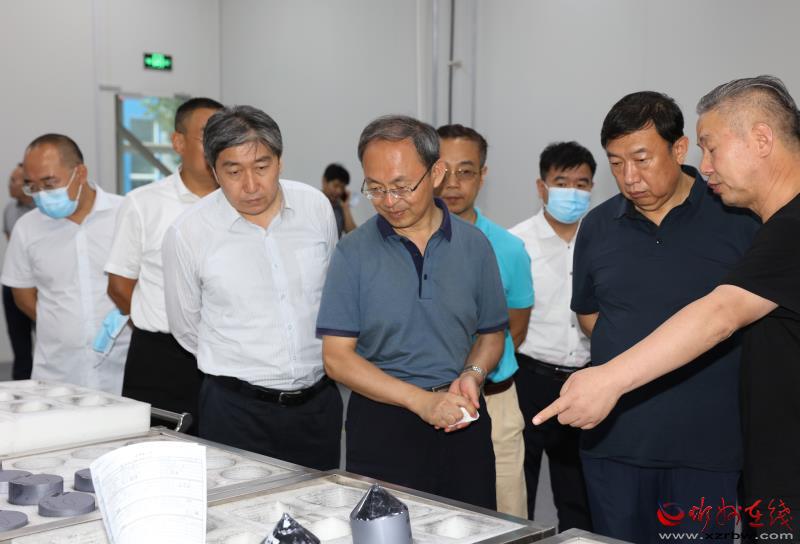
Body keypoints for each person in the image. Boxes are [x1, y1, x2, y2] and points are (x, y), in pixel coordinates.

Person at [536, 75, 800, 542]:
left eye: (711, 148)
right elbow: (592, 316)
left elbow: (721, 314)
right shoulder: (599, 226)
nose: (707, 164)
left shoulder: (766, 225)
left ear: (762, 139)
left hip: (718, 447)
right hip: (626, 446)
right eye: (617, 163)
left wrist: (609, 378)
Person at [316, 115, 507, 509]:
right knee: (388, 531)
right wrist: (420, 401)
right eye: (376, 188)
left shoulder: (475, 246)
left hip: (461, 416)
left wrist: (473, 374)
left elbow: (491, 335)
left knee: (472, 528)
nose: (389, 201)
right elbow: (336, 359)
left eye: (402, 187)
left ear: (436, 173)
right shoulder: (353, 253)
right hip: (383, 424)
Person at [162, 105, 342, 470]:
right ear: (214, 171)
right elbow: (186, 328)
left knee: (318, 503)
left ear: (280, 161)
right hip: (236, 412)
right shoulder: (188, 233)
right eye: (233, 171)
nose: (251, 185)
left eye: (262, 167)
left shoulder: (315, 207)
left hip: (317, 406)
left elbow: (332, 298)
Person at [105, 97, 223, 433]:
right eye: (207, 135)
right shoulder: (144, 204)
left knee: (227, 452)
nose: (217, 145)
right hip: (161, 357)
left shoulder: (239, 204)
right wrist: (158, 320)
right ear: (178, 142)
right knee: (158, 452)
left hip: (227, 355)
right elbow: (119, 286)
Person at [436, 123, 533, 518]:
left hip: (494, 402)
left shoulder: (508, 248)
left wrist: (475, 372)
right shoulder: (402, 243)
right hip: (422, 403)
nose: (453, 184)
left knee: (505, 515)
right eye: (443, 171)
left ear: (483, 174)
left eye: (466, 171)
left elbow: (515, 331)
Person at [509, 141, 595, 530]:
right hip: (528, 377)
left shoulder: (601, 240)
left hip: (583, 381)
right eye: (562, 182)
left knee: (578, 494)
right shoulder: (516, 242)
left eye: (582, 184)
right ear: (541, 187)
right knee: (519, 489)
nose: (572, 192)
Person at [1, 134, 129, 393]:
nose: (41, 194)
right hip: (57, 374)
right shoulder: (27, 228)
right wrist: (63, 324)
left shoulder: (125, 214)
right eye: (32, 186)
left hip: (123, 369)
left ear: (80, 173)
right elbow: (23, 297)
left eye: (49, 183)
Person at [3, 163, 35, 380]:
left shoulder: (43, 211)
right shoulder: (9, 209)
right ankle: (21, 385)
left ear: (27, 184)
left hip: (39, 285)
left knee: (47, 337)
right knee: (18, 340)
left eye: (14, 180)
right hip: (13, 283)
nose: (9, 184)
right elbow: (12, 244)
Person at [321, 163, 356, 237]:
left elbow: (354, 235)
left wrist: (345, 207)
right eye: (336, 185)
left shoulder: (340, 207)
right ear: (324, 181)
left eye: (342, 187)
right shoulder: (313, 202)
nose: (339, 191)